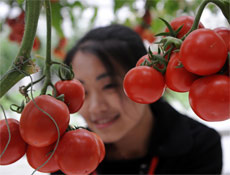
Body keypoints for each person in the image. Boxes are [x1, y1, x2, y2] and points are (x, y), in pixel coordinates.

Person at [52, 24, 222, 174]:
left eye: (110, 85)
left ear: (148, 80)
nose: (96, 107)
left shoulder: (199, 146)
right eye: (82, 91)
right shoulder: (66, 157)